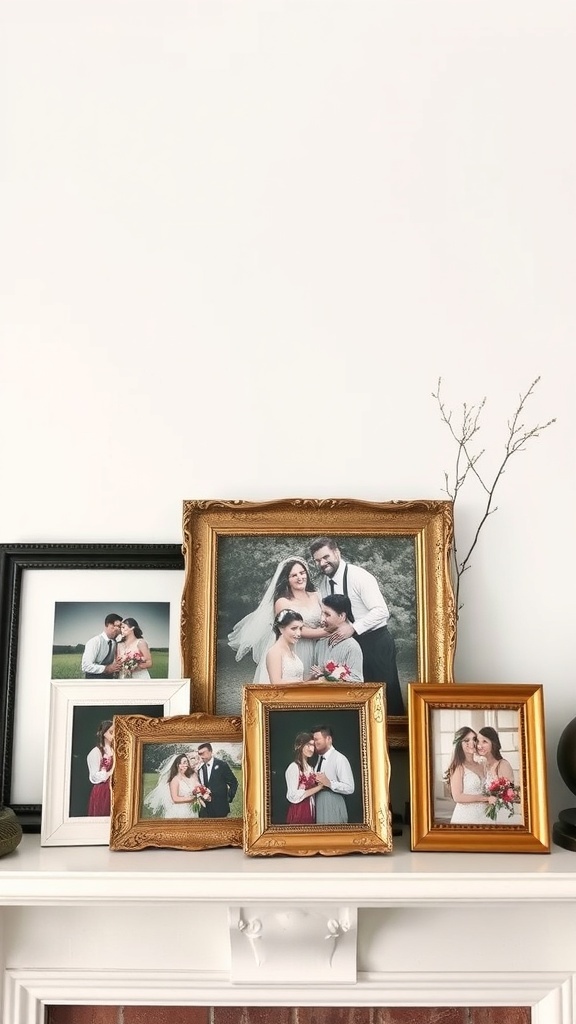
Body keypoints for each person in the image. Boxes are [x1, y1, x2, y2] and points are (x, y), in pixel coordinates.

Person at [309, 537, 404, 714]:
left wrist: (353, 628)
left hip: (375, 642)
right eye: (317, 560)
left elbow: (381, 611)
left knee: (384, 697)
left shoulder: (360, 576)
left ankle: (394, 736)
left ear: (337, 552)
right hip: (348, 646)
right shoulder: (323, 584)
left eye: (326, 557)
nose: (322, 563)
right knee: (356, 697)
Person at [228, 555, 327, 682]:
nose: (300, 577)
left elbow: (326, 616)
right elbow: (294, 630)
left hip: (319, 647)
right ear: (287, 579)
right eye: (294, 575)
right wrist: (325, 632)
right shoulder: (282, 602)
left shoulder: (316, 595)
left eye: (302, 573)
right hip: (296, 647)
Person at [444, 726, 495, 824]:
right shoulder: (458, 767)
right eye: (466, 740)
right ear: (459, 744)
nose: (472, 743)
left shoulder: (483, 764)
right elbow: (457, 797)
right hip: (466, 817)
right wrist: (485, 798)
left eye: (474, 739)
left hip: (485, 815)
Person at [310, 595, 364, 682]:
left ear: (342, 616)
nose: (322, 619)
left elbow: (357, 681)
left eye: (327, 615)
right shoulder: (321, 643)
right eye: (322, 614)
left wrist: (328, 677)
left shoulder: (351, 647)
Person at [311, 724, 354, 824]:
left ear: (328, 739)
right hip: (319, 806)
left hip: (333, 805)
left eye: (317, 739)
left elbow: (350, 787)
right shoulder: (318, 759)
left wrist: (329, 783)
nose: (315, 743)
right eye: (314, 740)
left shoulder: (340, 759)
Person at [144, 751, 205, 819]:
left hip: (191, 810)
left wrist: (201, 792)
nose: (185, 765)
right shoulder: (175, 780)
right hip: (180, 811)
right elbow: (175, 799)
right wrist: (192, 799)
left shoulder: (191, 776)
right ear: (177, 765)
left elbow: (197, 788)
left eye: (186, 762)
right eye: (183, 763)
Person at [476, 727, 517, 823]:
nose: (479, 746)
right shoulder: (481, 764)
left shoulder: (503, 764)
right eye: (478, 741)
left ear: (493, 743)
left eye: (484, 741)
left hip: (500, 815)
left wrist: (494, 775)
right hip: (483, 814)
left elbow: (510, 795)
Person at [284, 731, 325, 824]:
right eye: (308, 745)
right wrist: (319, 788)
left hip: (311, 810)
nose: (311, 749)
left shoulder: (311, 768)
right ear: (299, 746)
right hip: (299, 811)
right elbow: (292, 795)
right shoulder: (294, 767)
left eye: (313, 745)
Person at [196, 741, 238, 818]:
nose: (201, 756)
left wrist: (228, 798)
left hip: (220, 808)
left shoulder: (222, 765)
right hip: (205, 810)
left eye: (203, 753)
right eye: (199, 754)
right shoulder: (200, 769)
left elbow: (234, 783)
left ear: (211, 752)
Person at [266, 609, 306, 683]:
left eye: (300, 629)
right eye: (294, 628)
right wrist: (299, 683)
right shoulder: (274, 652)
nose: (299, 633)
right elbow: (275, 682)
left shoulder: (291, 651)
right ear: (281, 628)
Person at [81, 613, 123, 679]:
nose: (118, 630)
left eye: (120, 627)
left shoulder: (115, 643)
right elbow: (86, 666)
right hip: (93, 681)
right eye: (116, 626)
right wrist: (106, 669)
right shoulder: (95, 641)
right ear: (107, 624)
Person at [87, 720, 114, 816]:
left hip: (114, 790)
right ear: (103, 733)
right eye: (111, 732)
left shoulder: (114, 750)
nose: (114, 735)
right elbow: (94, 776)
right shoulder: (96, 752)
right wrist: (111, 772)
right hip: (102, 791)